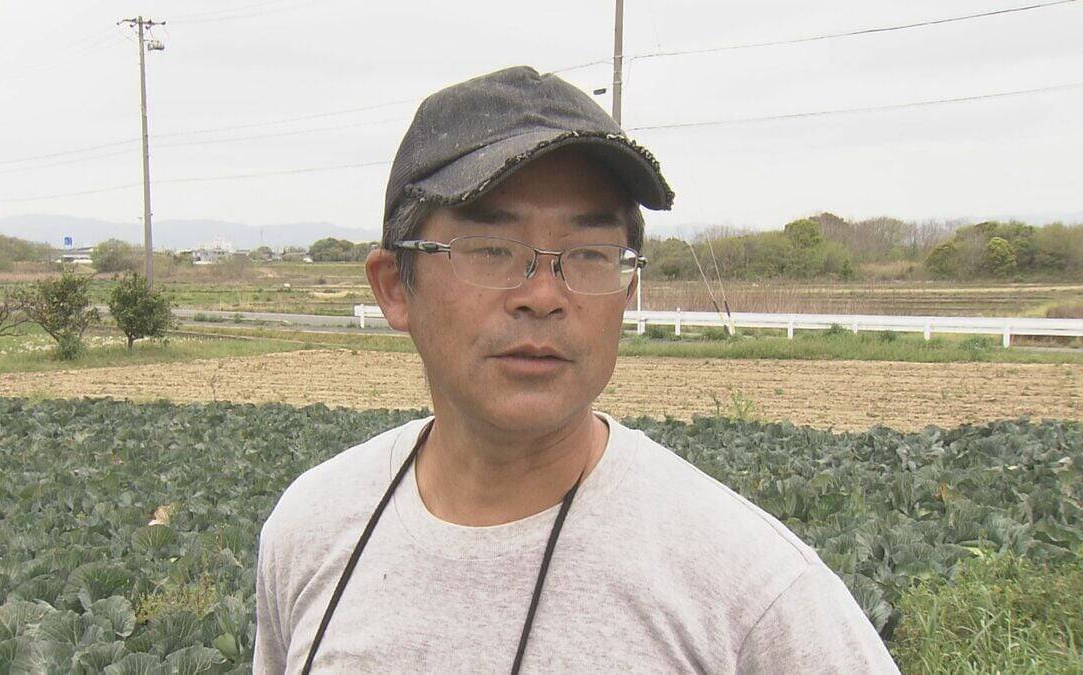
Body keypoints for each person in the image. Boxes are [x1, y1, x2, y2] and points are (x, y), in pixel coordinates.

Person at [254, 66, 898, 673]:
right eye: (491, 250)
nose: (542, 294)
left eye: (590, 254)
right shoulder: (312, 526)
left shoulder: (753, 591)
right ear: (395, 286)